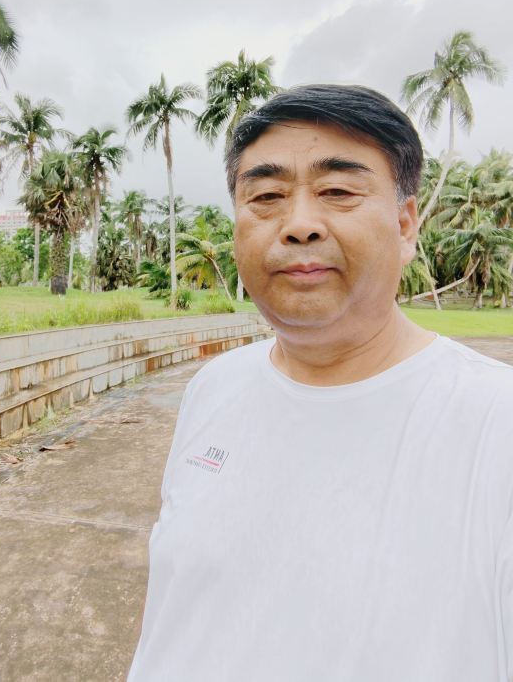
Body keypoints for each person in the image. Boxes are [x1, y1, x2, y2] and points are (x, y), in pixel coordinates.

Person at [127, 85, 513, 682]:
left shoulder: (495, 423)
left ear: (405, 225)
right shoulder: (213, 387)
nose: (300, 225)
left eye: (338, 192)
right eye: (267, 197)